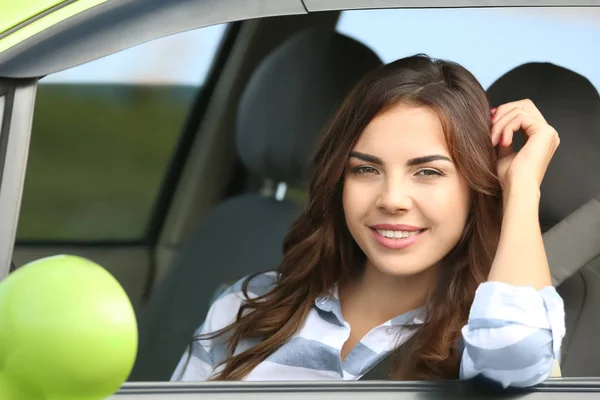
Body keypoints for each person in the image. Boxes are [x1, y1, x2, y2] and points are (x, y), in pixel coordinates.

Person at [171, 54, 565, 387]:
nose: (392, 200)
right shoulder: (246, 306)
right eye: (365, 170)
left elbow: (518, 353)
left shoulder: (489, 334)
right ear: (338, 180)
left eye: (428, 172)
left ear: (476, 187)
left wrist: (521, 189)